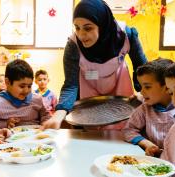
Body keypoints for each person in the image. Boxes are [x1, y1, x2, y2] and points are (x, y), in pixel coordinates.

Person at [42, 0, 147, 129]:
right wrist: (59, 113)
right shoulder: (73, 45)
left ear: (102, 25)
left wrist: (143, 91)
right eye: (77, 27)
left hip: (120, 90)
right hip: (87, 95)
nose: (81, 35)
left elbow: (143, 69)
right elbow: (71, 84)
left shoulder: (126, 36)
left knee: (122, 133)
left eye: (88, 28)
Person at [122, 58, 175, 156]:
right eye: (141, 87)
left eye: (147, 87)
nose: (142, 92)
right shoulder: (145, 109)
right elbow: (128, 130)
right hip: (152, 161)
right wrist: (147, 144)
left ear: (167, 87)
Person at [0, 59, 50, 129]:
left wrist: (46, 123)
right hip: (8, 138)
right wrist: (5, 123)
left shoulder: (36, 99)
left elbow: (45, 116)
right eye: (22, 86)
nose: (26, 90)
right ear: (7, 82)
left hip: (35, 137)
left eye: (29, 86)